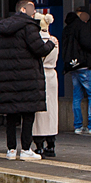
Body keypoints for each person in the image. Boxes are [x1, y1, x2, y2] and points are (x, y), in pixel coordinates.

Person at [0, 0, 55, 160]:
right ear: (23, 10)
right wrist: (51, 44)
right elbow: (39, 49)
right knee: (28, 115)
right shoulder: (29, 27)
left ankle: (11, 150)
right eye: (32, 9)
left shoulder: (1, 28)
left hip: (7, 79)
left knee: (11, 117)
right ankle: (26, 149)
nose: (34, 13)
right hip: (27, 79)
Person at [62, 6, 91, 136]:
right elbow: (87, 43)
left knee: (77, 96)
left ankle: (78, 126)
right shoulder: (81, 26)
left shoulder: (67, 29)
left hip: (73, 66)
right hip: (84, 65)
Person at [31, 13, 60, 158]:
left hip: (38, 75)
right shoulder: (54, 40)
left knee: (38, 111)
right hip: (52, 75)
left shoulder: (35, 41)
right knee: (52, 109)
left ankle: (39, 145)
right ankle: (51, 143)